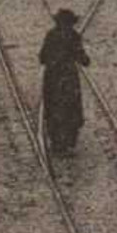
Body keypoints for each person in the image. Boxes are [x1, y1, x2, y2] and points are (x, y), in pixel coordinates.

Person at [39, 8, 91, 155]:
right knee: (70, 109)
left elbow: (42, 57)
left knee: (54, 107)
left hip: (51, 78)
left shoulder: (50, 35)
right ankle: (67, 142)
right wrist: (85, 59)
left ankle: (57, 142)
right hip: (68, 79)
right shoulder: (73, 36)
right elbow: (83, 58)